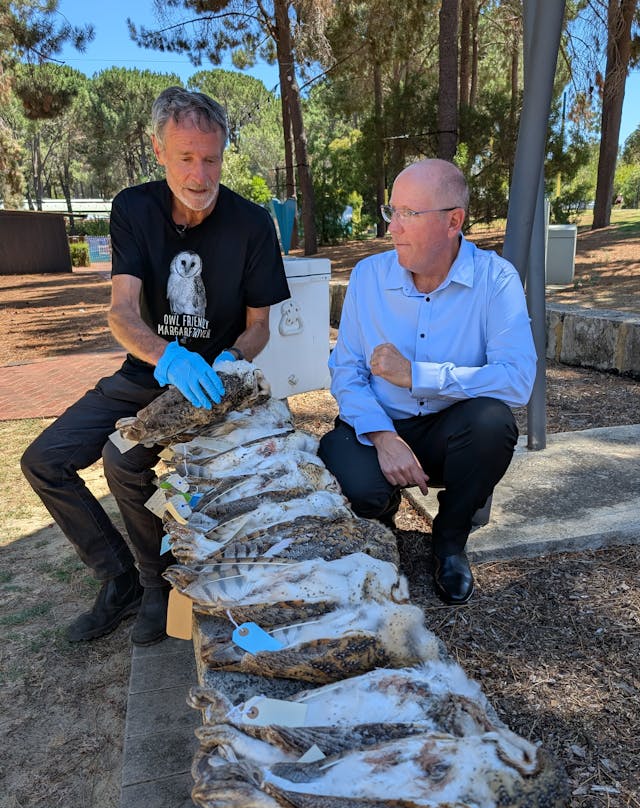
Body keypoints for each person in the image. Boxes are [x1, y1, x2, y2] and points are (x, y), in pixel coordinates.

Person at [21, 87, 290, 645]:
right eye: (185, 157)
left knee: (121, 461)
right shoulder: (134, 208)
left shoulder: (253, 225)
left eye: (211, 158)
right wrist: (167, 355)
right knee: (44, 461)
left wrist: (231, 360)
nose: (199, 174)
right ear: (158, 150)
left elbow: (259, 324)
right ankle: (117, 578)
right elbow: (121, 312)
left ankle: (155, 585)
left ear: (223, 153)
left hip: (209, 385)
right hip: (148, 370)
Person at [319, 159, 536, 605]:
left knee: (494, 424)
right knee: (353, 484)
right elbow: (347, 371)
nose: (392, 228)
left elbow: (517, 380)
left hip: (448, 433)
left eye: (408, 214)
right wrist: (382, 437)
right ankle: (382, 511)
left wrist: (417, 375)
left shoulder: (496, 280)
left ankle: (450, 539)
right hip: (378, 425)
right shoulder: (368, 277)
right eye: (391, 211)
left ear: (453, 221)